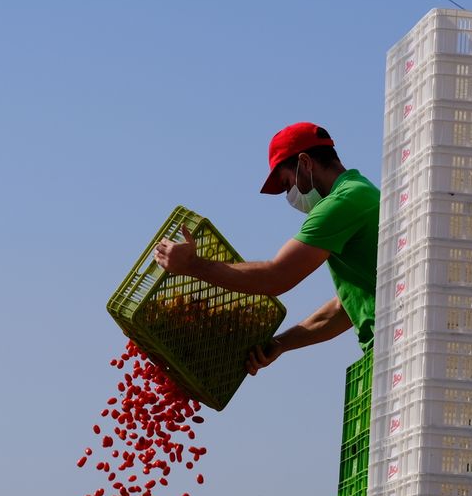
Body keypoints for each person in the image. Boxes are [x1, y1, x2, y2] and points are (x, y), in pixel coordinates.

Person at [154, 122, 379, 372]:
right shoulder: (361, 191)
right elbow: (343, 308)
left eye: (287, 184)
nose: (290, 196)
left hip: (390, 346)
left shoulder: (342, 202)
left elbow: (276, 277)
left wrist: (192, 265)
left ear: (305, 163)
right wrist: (280, 343)